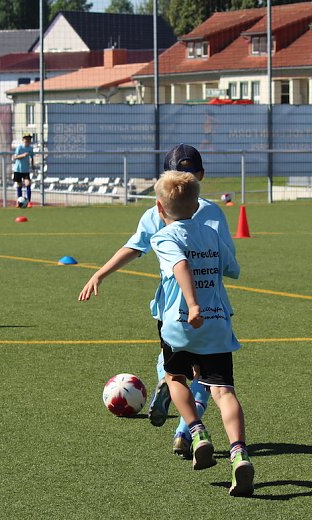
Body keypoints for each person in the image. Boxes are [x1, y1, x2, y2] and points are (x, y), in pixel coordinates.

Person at [78, 144, 235, 459]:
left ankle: (168, 387)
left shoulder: (156, 211)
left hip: (170, 308)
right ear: (201, 176)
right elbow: (228, 263)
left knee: (173, 365)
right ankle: (185, 432)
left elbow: (135, 247)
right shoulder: (211, 212)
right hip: (211, 308)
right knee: (209, 378)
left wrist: (101, 273)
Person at [150, 170, 253, 497]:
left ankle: (197, 432)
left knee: (175, 378)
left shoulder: (163, 237)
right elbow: (232, 268)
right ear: (196, 206)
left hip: (182, 325)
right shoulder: (211, 233)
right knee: (223, 392)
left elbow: (179, 264)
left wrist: (192, 303)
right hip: (217, 324)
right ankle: (239, 454)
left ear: (159, 207)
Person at [11, 134, 35, 207]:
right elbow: (14, 157)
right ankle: (19, 202)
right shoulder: (19, 148)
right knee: (19, 185)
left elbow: (32, 157)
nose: (28, 140)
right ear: (23, 140)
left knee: (28, 184)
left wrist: (32, 165)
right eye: (26, 139)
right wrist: (23, 155)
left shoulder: (30, 148)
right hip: (18, 169)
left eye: (29, 139)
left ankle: (29, 202)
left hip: (26, 170)